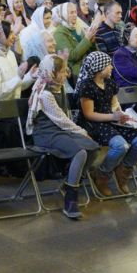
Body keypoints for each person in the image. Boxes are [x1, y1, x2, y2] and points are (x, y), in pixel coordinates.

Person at [26, 56, 99, 219]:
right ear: (52, 73)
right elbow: (61, 119)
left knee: (93, 147)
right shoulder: (44, 94)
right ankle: (71, 197)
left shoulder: (60, 88)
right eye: (62, 71)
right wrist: (80, 131)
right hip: (46, 134)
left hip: (60, 131)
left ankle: (69, 181)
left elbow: (64, 119)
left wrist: (79, 132)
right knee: (80, 152)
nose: (66, 74)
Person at [75, 51, 137, 196]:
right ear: (98, 68)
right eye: (108, 65)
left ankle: (123, 171)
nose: (111, 67)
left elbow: (115, 105)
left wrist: (123, 116)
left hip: (111, 120)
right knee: (120, 145)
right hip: (94, 124)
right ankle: (102, 175)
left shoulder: (110, 83)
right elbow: (89, 114)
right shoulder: (87, 86)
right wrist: (113, 117)